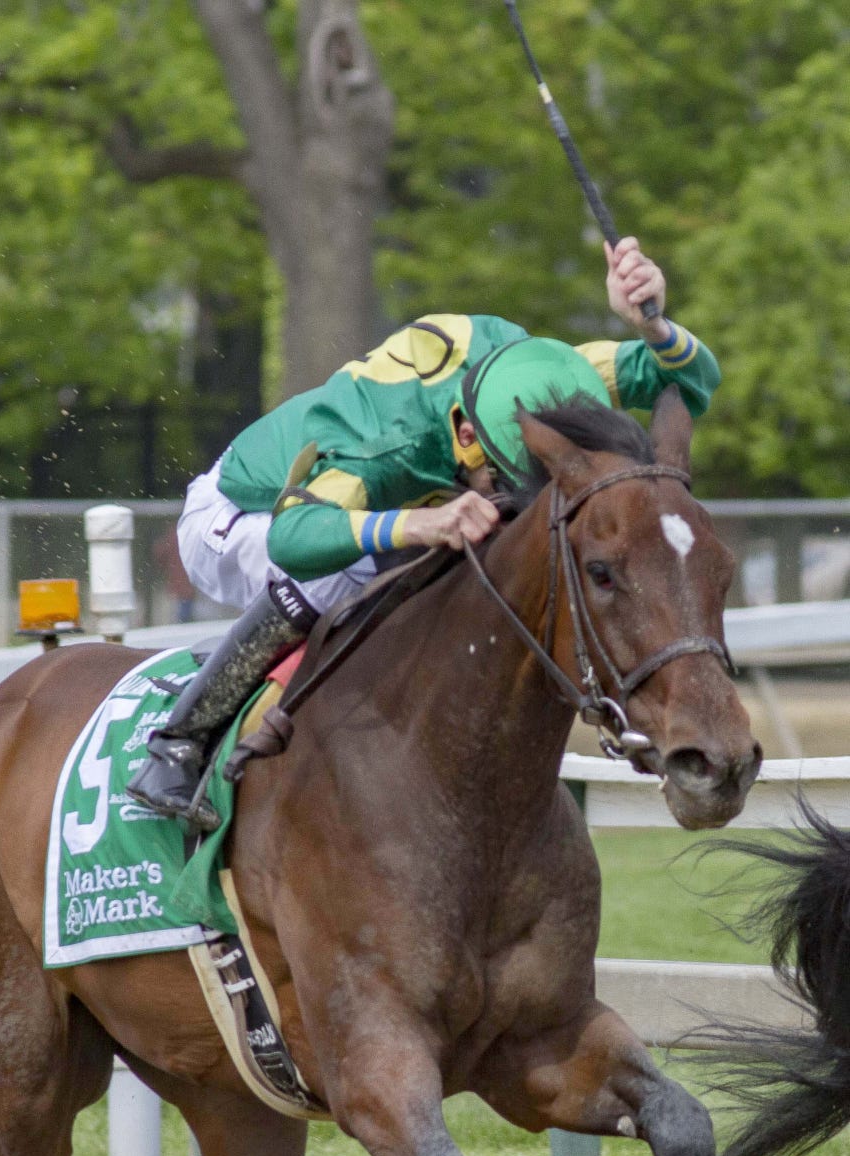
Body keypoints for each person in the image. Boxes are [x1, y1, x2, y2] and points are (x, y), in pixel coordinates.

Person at [128, 237, 720, 831]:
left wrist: (652, 324)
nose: (507, 499)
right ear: (465, 435)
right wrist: (417, 522)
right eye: (500, 481)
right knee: (352, 566)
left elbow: (692, 382)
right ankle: (179, 744)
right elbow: (294, 539)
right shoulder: (386, 442)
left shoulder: (551, 376)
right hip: (235, 517)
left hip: (346, 504)